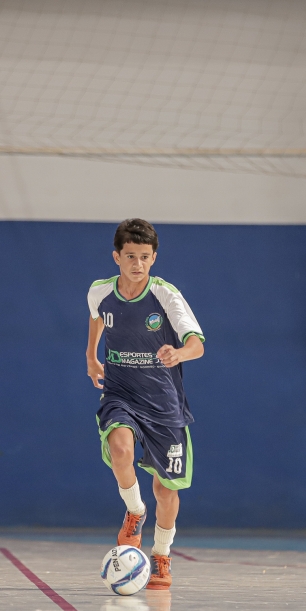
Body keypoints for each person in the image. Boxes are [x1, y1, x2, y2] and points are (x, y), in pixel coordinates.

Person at [86, 218, 205, 590]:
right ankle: (135, 512)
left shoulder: (166, 295)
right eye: (130, 256)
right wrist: (91, 356)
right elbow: (96, 318)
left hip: (163, 403)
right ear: (117, 257)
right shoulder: (100, 292)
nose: (137, 264)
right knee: (119, 449)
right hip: (120, 392)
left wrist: (179, 353)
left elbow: (197, 344)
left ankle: (162, 555)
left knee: (166, 491)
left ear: (154, 258)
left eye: (144, 257)